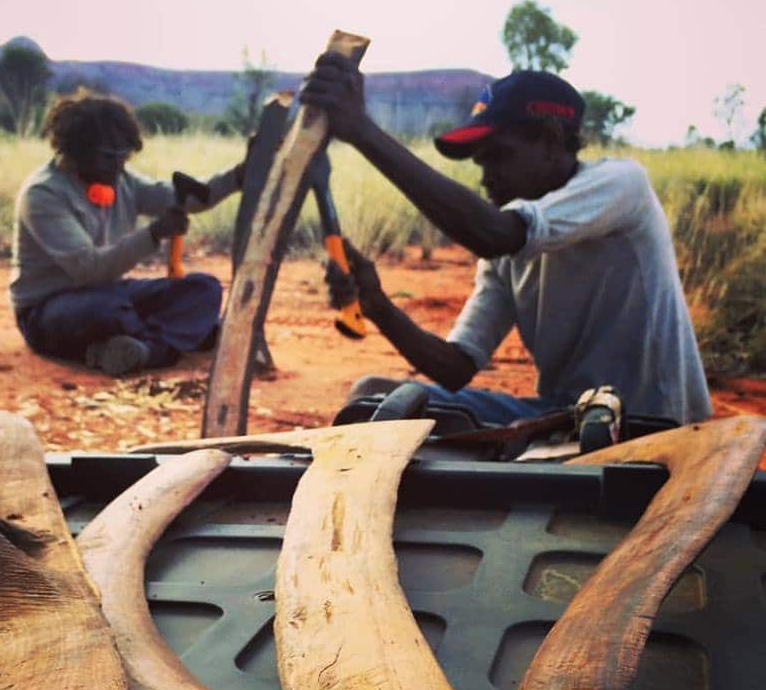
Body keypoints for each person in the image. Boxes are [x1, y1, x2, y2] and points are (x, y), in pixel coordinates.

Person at [302, 62, 712, 425]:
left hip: (652, 423)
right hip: (566, 416)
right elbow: (455, 367)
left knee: (389, 414)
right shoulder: (506, 251)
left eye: (498, 156)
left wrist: (362, 132)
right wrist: (378, 306)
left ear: (552, 141)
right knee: (371, 396)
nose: (487, 178)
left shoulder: (621, 185)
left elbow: (493, 233)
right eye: (481, 164)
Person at [10, 90, 245, 377]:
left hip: (107, 291)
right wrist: (154, 233)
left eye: (124, 154)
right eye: (109, 156)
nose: (119, 164)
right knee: (107, 310)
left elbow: (187, 198)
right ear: (77, 150)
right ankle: (169, 339)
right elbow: (89, 269)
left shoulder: (121, 179)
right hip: (48, 309)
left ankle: (135, 347)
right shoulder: (43, 194)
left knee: (203, 288)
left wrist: (238, 177)